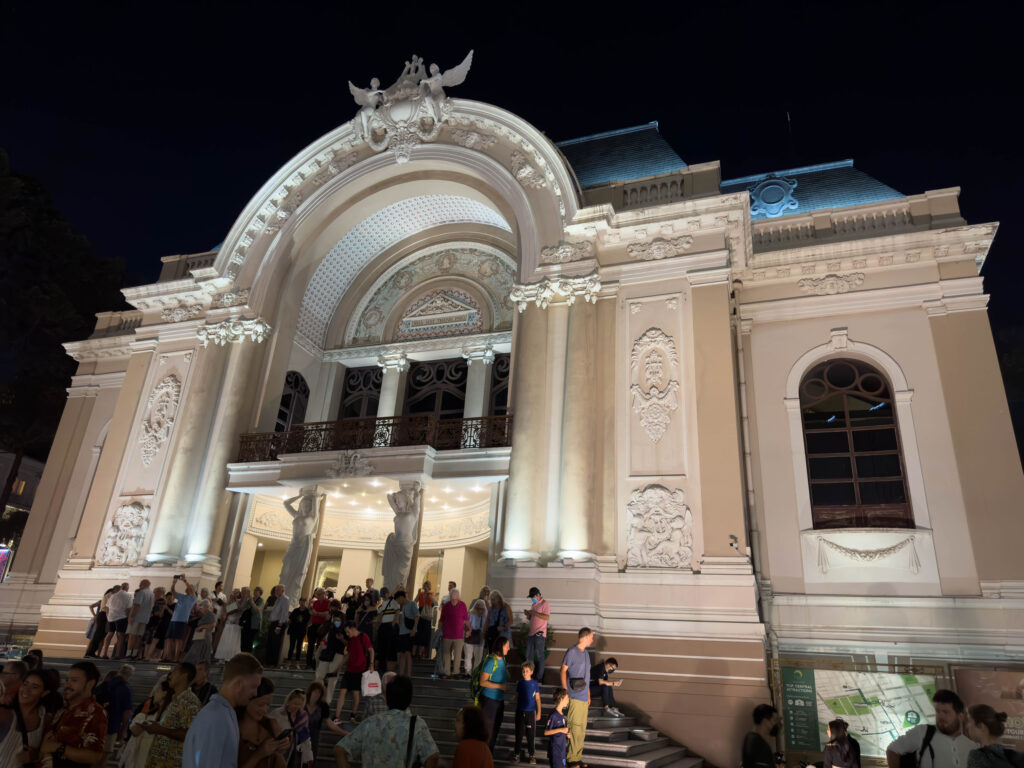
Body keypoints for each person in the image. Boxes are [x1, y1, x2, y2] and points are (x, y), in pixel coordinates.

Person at [333, 675, 440, 768]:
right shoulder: (417, 725)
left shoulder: (370, 723)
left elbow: (339, 750)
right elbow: (433, 756)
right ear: (409, 699)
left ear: (387, 699)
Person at [183, 652, 265, 768]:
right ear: (239, 683)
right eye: (253, 686)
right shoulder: (216, 717)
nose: (255, 693)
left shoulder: (224, 713)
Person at [39, 661, 108, 766]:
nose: (67, 684)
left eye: (74, 680)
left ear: (90, 684)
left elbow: (94, 756)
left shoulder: (95, 713)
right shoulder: (63, 709)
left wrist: (57, 747)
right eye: (67, 680)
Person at [887, 690, 977, 768]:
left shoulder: (973, 747)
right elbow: (892, 750)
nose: (940, 716)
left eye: (945, 712)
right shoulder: (923, 732)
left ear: (960, 716)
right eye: (938, 711)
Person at [141, 662, 200, 768]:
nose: (170, 675)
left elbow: (190, 734)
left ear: (184, 675)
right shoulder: (175, 699)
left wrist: (160, 730)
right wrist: (157, 726)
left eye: (174, 671)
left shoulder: (190, 702)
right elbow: (171, 726)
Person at [0, 668, 53, 766]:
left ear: (44, 693)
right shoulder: (5, 711)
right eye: (25, 684)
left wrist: (36, 755)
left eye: (35, 687)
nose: (26, 690)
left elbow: (45, 752)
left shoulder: (45, 720)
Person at [237, 678, 290, 768]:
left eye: (268, 705)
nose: (265, 710)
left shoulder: (271, 724)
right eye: (260, 705)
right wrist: (259, 754)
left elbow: (279, 758)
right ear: (246, 701)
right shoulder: (233, 728)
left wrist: (283, 746)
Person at [560, 627, 594, 768]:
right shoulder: (572, 652)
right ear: (585, 637)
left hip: (584, 697)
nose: (592, 640)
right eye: (591, 637)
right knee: (574, 727)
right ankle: (571, 759)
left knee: (581, 729)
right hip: (574, 696)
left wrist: (588, 694)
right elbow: (563, 670)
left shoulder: (586, 654)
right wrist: (565, 692)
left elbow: (587, 677)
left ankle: (577, 757)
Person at [121, 678, 171, 768]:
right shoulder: (149, 714)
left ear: (165, 693)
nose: (154, 694)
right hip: (138, 759)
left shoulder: (168, 717)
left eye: (158, 691)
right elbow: (135, 731)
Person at [335, 621, 374, 722]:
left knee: (356, 694)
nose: (347, 634)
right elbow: (348, 654)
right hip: (349, 669)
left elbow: (371, 650)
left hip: (359, 670)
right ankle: (337, 716)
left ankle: (353, 714)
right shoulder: (351, 640)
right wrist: (340, 666)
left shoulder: (363, 636)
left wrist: (371, 664)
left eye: (348, 631)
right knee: (342, 692)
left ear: (353, 628)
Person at [94, 663, 134, 755]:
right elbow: (127, 712)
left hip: (96, 723)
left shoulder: (104, 684)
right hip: (112, 726)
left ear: (120, 672)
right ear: (129, 676)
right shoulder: (126, 688)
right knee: (104, 755)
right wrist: (123, 730)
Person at [301, 681, 345, 764]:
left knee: (310, 759)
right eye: (315, 692)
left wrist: (344, 733)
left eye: (319, 692)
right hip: (300, 735)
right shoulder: (302, 702)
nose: (317, 694)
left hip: (314, 736)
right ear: (310, 692)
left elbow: (329, 723)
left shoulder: (323, 706)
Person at [479, 635, 510, 754]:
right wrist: (500, 686)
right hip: (489, 701)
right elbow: (483, 682)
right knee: (487, 730)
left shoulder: (503, 660)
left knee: (495, 730)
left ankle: (488, 755)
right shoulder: (491, 661)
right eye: (507, 646)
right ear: (501, 646)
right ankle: (483, 755)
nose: (509, 648)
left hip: (499, 700)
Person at [314, 611, 348, 705]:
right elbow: (324, 638)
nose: (336, 622)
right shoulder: (330, 628)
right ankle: (317, 698)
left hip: (338, 655)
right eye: (335, 620)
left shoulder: (345, 630)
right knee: (319, 676)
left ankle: (327, 701)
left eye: (338, 620)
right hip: (327, 654)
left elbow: (349, 644)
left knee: (332, 680)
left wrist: (342, 639)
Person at [273, 689, 311, 768]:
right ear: (288, 702)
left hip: (296, 751)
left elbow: (305, 736)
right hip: (279, 749)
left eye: (300, 704)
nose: (297, 707)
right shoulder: (278, 713)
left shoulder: (303, 716)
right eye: (295, 704)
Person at [514, 660, 543, 764]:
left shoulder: (534, 684)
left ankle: (532, 755)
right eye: (523, 671)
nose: (524, 673)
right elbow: (516, 696)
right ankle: (516, 754)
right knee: (519, 734)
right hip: (520, 712)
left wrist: (539, 713)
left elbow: (538, 699)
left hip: (531, 713)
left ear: (531, 672)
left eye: (526, 671)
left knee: (530, 735)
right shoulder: (520, 683)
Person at [165, 575, 197, 662]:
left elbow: (191, 590)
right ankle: (169, 657)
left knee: (178, 639)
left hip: (182, 620)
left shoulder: (193, 597)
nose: (188, 589)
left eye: (190, 588)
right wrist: (174, 583)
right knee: (169, 638)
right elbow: (173, 592)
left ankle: (176, 658)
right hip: (174, 619)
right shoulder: (181, 596)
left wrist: (185, 581)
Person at [742, 704, 784, 768]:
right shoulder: (758, 744)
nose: (777, 723)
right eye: (775, 720)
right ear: (765, 721)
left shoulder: (750, 738)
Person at [440, 588, 469, 679]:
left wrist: (469, 629)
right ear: (450, 596)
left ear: (458, 596)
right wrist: (439, 630)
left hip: (459, 635)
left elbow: (466, 619)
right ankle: (447, 672)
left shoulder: (462, 605)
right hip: (447, 634)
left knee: (457, 654)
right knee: (446, 654)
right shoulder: (446, 606)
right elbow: (442, 619)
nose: (454, 596)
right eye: (452, 594)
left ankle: (456, 672)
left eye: (455, 595)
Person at [523, 587, 550, 683]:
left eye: (533, 597)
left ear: (538, 595)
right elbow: (533, 618)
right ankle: (530, 676)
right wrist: (528, 615)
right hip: (531, 633)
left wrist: (534, 613)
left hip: (540, 633)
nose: (532, 599)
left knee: (540, 656)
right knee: (529, 656)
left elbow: (546, 617)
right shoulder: (534, 604)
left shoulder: (545, 604)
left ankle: (539, 678)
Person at [124, 579, 153, 660]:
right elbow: (151, 608)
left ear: (144, 584)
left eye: (140, 584)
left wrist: (131, 616)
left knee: (132, 636)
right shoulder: (151, 594)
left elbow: (137, 605)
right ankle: (134, 654)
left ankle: (128, 654)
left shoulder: (141, 592)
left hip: (136, 618)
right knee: (138, 637)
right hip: (144, 619)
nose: (139, 586)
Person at [100, 583, 131, 659]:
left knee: (109, 634)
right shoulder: (128, 596)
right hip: (121, 617)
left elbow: (107, 607)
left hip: (111, 618)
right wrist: (129, 618)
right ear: (127, 588)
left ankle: (104, 653)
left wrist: (108, 616)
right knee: (120, 636)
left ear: (121, 587)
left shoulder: (113, 595)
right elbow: (128, 609)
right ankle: (117, 655)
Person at [184, 599, 217, 664]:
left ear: (206, 606)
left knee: (202, 653)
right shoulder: (204, 615)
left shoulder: (210, 614)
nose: (200, 609)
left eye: (201, 607)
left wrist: (201, 627)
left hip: (205, 637)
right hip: (200, 636)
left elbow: (213, 625)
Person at [85, 586, 116, 658]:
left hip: (104, 617)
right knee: (97, 636)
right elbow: (91, 606)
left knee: (101, 637)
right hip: (102, 617)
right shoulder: (108, 597)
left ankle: (96, 654)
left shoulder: (106, 598)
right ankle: (89, 653)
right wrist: (94, 615)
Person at [545, 688, 571, 768]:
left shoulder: (562, 714)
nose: (568, 700)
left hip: (562, 749)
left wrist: (566, 734)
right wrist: (561, 729)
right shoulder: (554, 715)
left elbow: (560, 731)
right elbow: (546, 732)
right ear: (561, 699)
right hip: (556, 750)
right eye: (567, 698)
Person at [265, 585, 290, 667]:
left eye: (277, 590)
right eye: (275, 590)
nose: (275, 591)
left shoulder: (285, 599)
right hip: (273, 623)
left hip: (278, 623)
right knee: (270, 642)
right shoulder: (278, 599)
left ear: (282, 591)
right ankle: (268, 661)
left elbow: (284, 613)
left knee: (275, 643)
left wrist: (279, 626)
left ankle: (273, 662)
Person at [376, 587, 399, 672]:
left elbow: (397, 611)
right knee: (382, 647)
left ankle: (388, 667)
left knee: (390, 647)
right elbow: (379, 615)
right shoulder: (382, 604)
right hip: (384, 626)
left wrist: (393, 623)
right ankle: (382, 666)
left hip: (390, 626)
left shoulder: (393, 602)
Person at [396, 589, 418, 678]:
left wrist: (414, 629)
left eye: (398, 599)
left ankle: (408, 675)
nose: (398, 602)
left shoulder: (412, 603)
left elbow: (417, 615)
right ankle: (401, 674)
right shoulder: (403, 606)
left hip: (408, 632)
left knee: (408, 653)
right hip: (402, 632)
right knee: (402, 653)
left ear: (401, 597)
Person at [217, 591, 244, 662]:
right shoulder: (231, 602)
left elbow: (232, 609)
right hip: (228, 623)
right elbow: (226, 609)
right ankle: (223, 656)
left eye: (235, 593)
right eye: (233, 593)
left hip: (235, 624)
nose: (233, 594)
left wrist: (231, 604)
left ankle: (231, 657)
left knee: (232, 641)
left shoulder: (240, 602)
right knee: (225, 640)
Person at [306, 588, 330, 669]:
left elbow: (327, 613)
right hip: (314, 625)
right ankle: (308, 663)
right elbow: (312, 613)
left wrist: (318, 613)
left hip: (322, 626)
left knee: (319, 645)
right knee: (310, 645)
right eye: (317, 594)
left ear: (324, 594)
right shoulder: (315, 602)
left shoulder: (328, 602)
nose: (318, 596)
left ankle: (316, 663)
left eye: (320, 594)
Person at [464, 599, 487, 676]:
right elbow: (466, 625)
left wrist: (484, 636)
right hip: (470, 636)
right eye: (479, 608)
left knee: (478, 657)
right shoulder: (470, 614)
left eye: (482, 609)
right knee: (468, 655)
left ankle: (476, 672)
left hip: (480, 638)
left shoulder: (484, 617)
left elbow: (485, 628)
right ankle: (468, 671)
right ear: (476, 608)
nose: (480, 611)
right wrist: (467, 632)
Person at [413, 582, 434, 660]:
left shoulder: (431, 594)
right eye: (425, 586)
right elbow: (414, 602)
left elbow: (433, 602)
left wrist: (428, 594)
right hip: (420, 613)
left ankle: (420, 653)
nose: (426, 587)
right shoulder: (421, 594)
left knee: (424, 635)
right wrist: (418, 594)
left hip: (427, 615)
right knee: (418, 634)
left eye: (428, 586)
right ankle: (414, 653)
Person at [286, 597, 311, 663]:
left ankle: (297, 659)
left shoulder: (307, 612)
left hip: (301, 630)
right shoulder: (295, 610)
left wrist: (307, 627)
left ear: (305, 603)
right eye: (301, 601)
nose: (302, 603)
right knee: (292, 645)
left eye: (304, 601)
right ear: (299, 602)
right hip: (293, 630)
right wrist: (287, 625)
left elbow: (309, 621)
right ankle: (289, 658)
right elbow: (290, 619)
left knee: (299, 645)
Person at [240, 587, 262, 654]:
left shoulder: (260, 600)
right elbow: (242, 608)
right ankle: (243, 654)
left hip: (254, 623)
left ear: (260, 593)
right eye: (254, 590)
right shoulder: (249, 599)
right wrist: (246, 598)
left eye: (256, 591)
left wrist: (252, 601)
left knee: (250, 641)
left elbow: (257, 610)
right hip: (246, 623)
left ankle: (248, 655)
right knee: (244, 640)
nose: (254, 592)